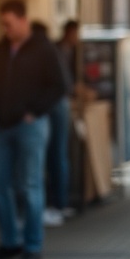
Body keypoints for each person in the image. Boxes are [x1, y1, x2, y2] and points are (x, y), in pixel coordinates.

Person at [0, 0, 67, 259]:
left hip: (31, 126)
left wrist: (35, 111)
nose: (5, 29)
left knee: (30, 184)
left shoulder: (44, 49)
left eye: (9, 24)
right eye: (2, 24)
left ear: (23, 20)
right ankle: (9, 241)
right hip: (3, 126)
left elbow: (60, 86)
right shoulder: (1, 49)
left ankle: (33, 246)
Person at [43, 19, 78, 227]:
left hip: (56, 106)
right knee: (57, 155)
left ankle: (59, 203)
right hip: (58, 105)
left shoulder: (68, 51)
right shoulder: (56, 50)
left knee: (57, 155)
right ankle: (58, 203)